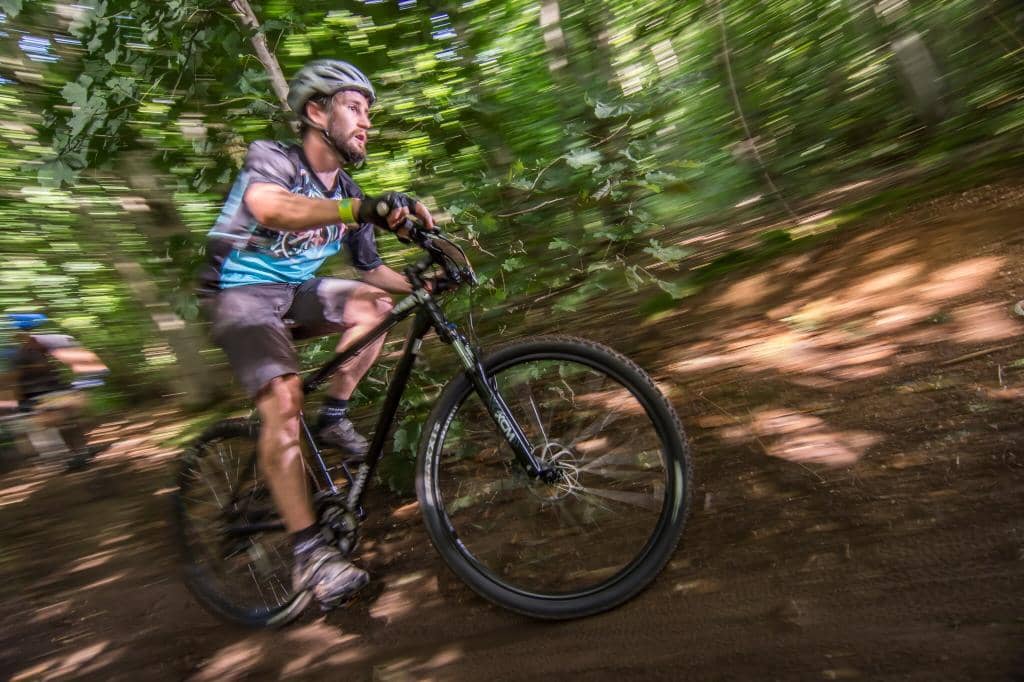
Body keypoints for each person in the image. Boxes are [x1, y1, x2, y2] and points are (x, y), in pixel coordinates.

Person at [199, 59, 436, 609]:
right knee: (283, 398)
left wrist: (425, 281)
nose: (366, 123)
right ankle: (310, 554)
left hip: (295, 292)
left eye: (368, 114)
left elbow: (374, 271)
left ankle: (331, 419)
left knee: (376, 304)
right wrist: (362, 207)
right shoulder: (273, 159)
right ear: (315, 111)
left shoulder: (348, 189)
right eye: (355, 108)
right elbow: (269, 208)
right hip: (238, 294)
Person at [2, 313, 108, 470]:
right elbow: (11, 380)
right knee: (56, 420)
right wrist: (19, 405)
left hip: (53, 391)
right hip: (38, 396)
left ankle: (81, 452)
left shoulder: (38, 349)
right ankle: (63, 460)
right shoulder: (17, 355)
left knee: (73, 419)